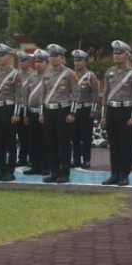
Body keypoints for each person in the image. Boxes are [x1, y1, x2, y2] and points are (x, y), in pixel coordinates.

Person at [100, 40, 132, 186]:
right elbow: (106, 94)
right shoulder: (109, 72)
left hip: (127, 110)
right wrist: (104, 114)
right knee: (114, 144)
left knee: (126, 144)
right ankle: (114, 174)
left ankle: (124, 174)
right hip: (112, 110)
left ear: (127, 55)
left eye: (119, 53)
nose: (116, 56)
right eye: (115, 53)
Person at [40, 44, 79, 184]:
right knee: (51, 143)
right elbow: (43, 94)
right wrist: (42, 112)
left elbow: (76, 95)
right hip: (49, 110)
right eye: (51, 56)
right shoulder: (46, 73)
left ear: (62, 58)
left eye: (56, 56)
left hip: (63, 110)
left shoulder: (69, 73)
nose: (53, 59)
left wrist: (72, 113)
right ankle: (54, 172)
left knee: (64, 144)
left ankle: (65, 173)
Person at [0, 44, 21, 182]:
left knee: (10, 143)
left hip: (9, 109)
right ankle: (0, 170)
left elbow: (19, 96)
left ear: (9, 57)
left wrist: (16, 113)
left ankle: (10, 171)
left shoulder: (15, 74)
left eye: (2, 55)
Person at [21, 50, 50, 176]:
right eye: (36, 61)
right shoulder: (31, 77)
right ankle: (34, 165)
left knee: (45, 140)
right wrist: (26, 114)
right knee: (33, 140)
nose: (38, 64)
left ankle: (45, 165)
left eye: (41, 61)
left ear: (47, 63)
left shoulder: (50, 76)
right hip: (32, 112)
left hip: (45, 113)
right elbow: (26, 95)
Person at [71, 49, 100, 170]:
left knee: (86, 136)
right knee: (74, 136)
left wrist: (93, 110)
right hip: (73, 109)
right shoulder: (70, 75)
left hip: (86, 109)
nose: (77, 63)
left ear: (85, 61)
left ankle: (86, 160)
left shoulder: (90, 75)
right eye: (75, 60)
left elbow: (95, 93)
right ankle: (76, 159)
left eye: (80, 60)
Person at [15, 52, 35, 169]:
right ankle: (22, 157)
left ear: (29, 62)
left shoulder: (34, 75)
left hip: (30, 107)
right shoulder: (17, 75)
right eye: (20, 61)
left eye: (24, 61)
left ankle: (31, 158)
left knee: (31, 135)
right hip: (19, 107)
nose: (22, 63)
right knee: (21, 134)